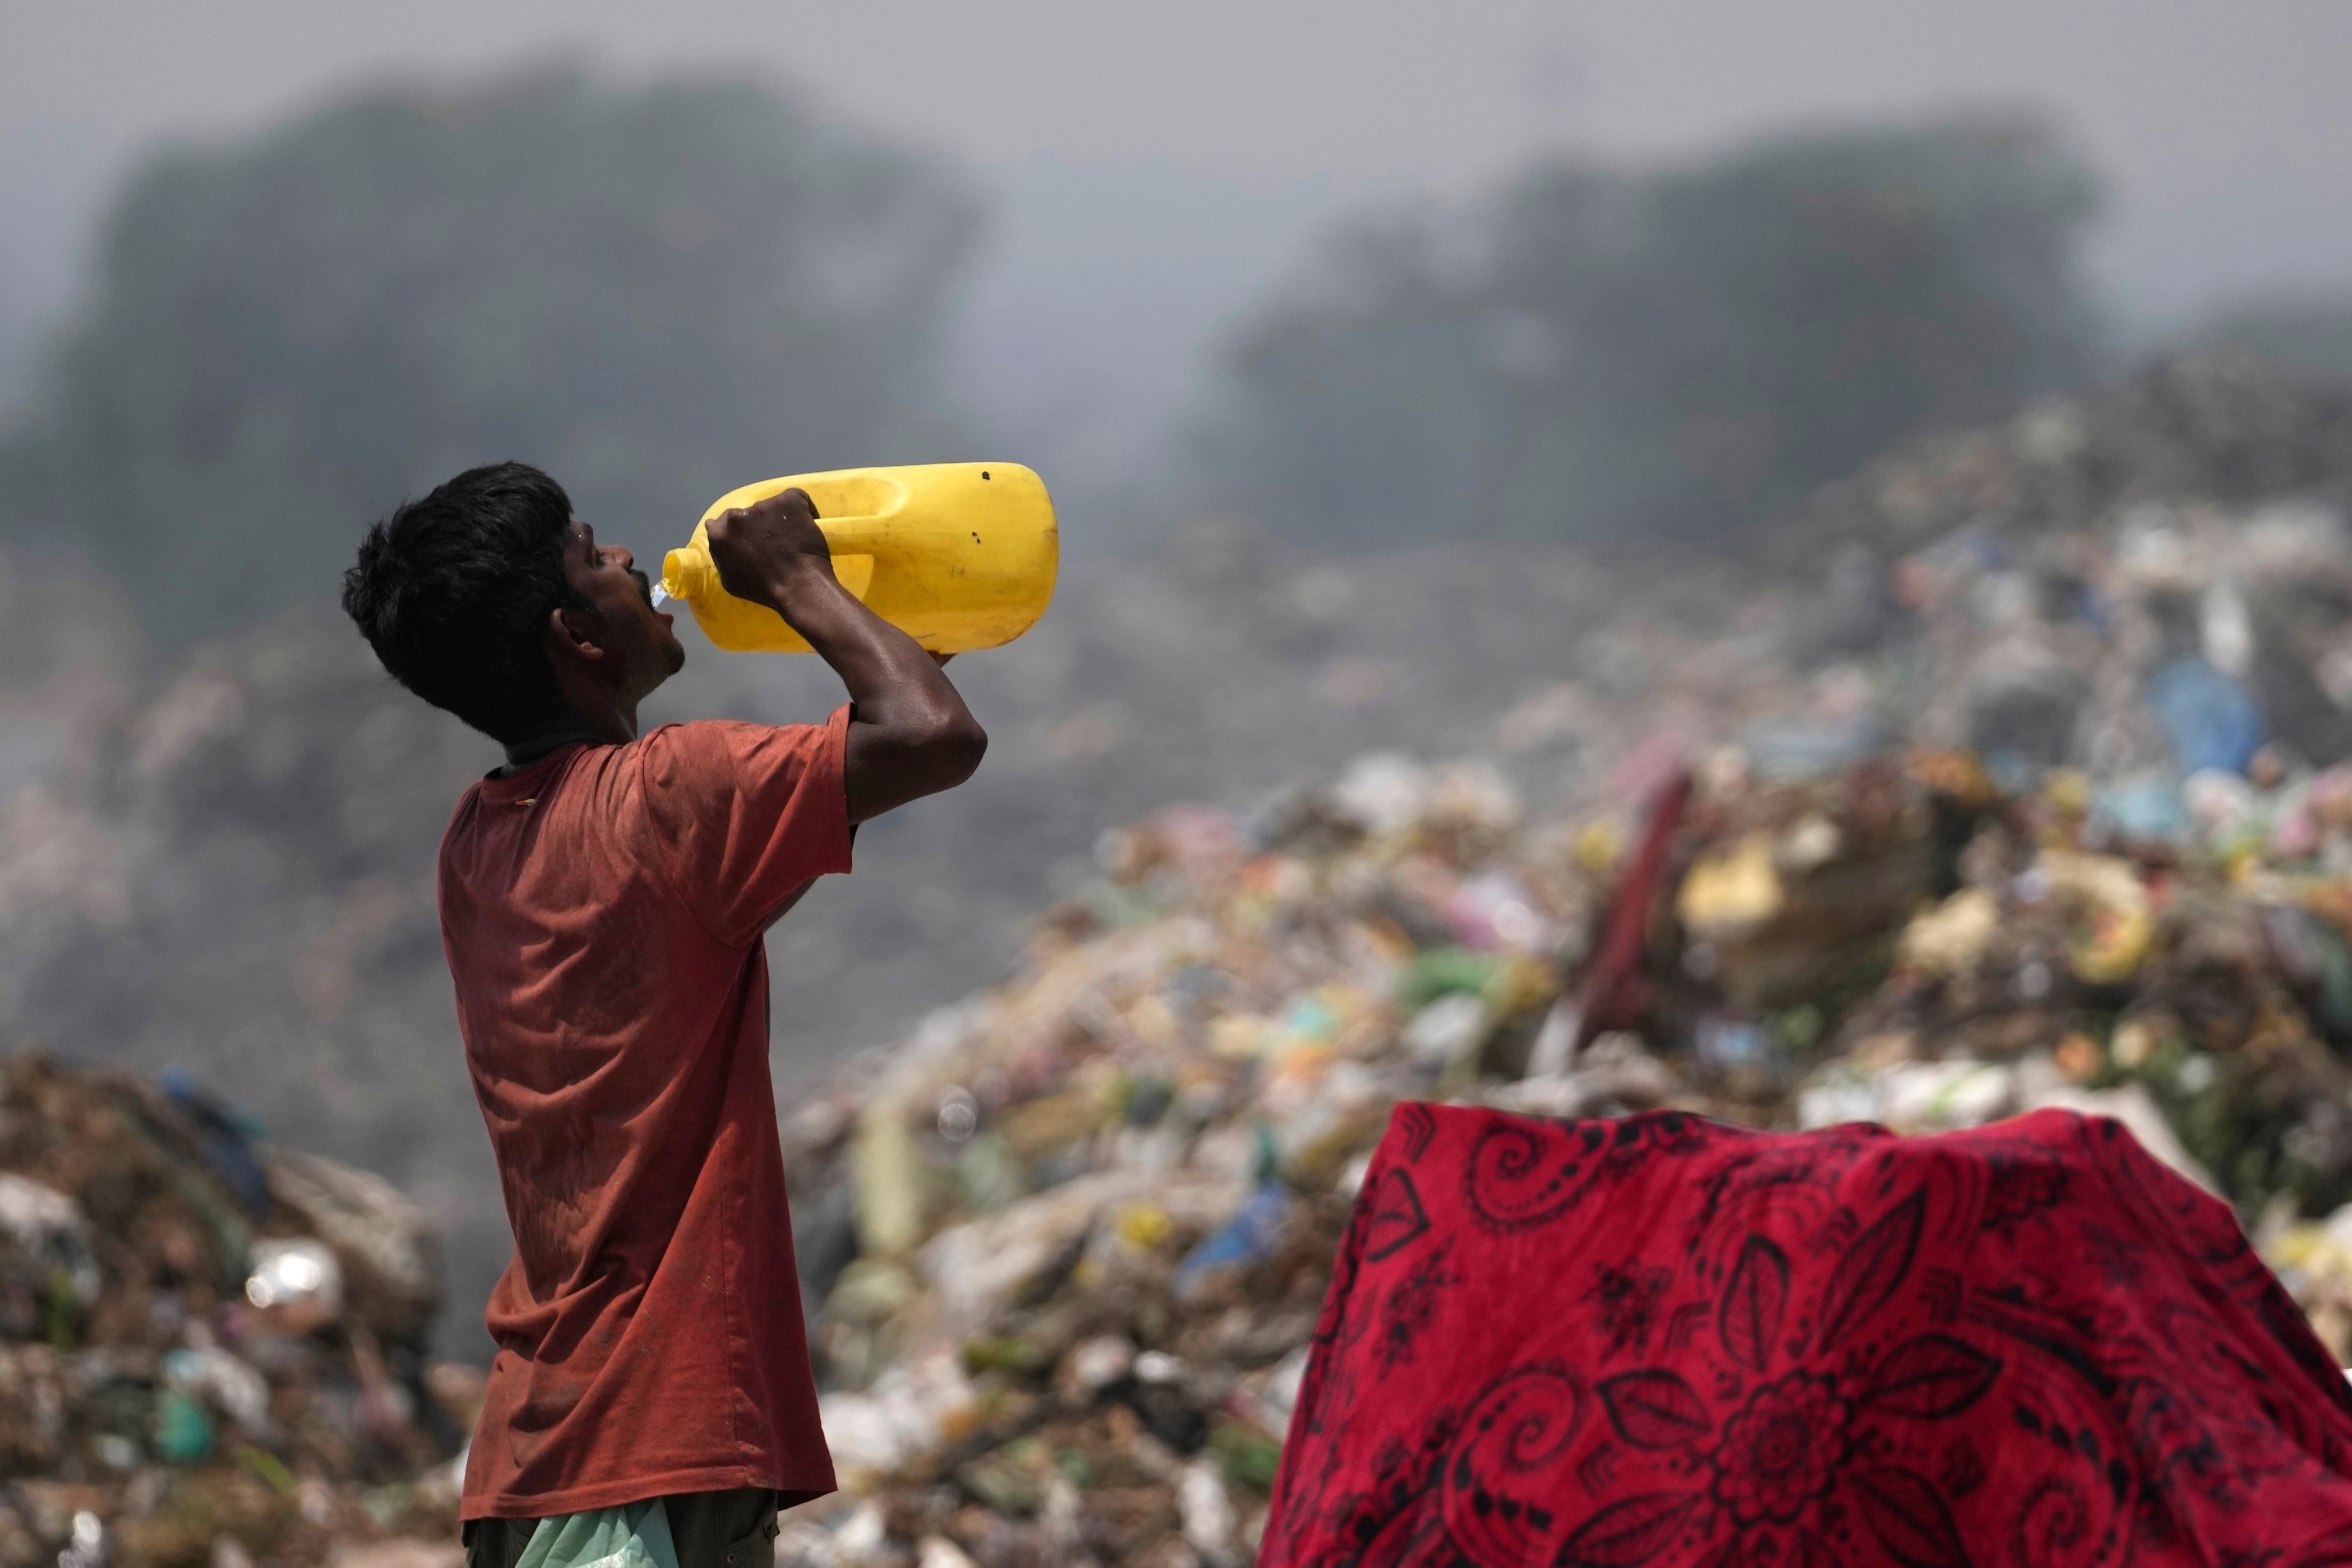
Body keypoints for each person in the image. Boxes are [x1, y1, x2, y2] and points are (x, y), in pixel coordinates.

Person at [341, 462, 985, 1568]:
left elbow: (745, 881)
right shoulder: (671, 791)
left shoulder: (476, 844)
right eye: (597, 556)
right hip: (657, 1453)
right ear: (576, 635)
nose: (635, 562)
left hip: (534, 1458)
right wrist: (799, 584)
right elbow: (935, 736)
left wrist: (891, 630)